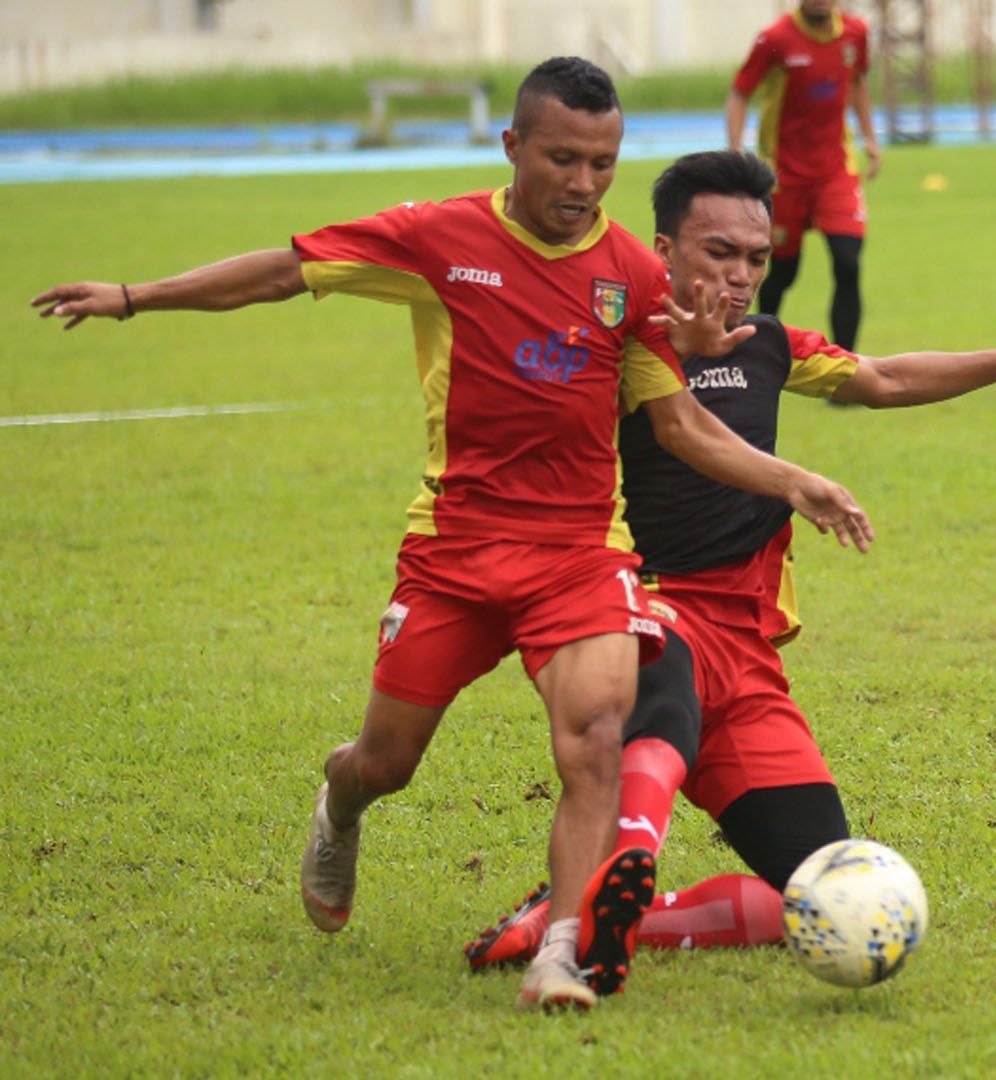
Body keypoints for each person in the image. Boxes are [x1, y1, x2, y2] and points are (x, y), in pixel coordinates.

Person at [30, 58, 873, 1013]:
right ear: (513, 146)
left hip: (578, 555)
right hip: (455, 552)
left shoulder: (633, 275)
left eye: (603, 164)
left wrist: (795, 476)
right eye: (563, 160)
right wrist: (137, 295)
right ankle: (339, 805)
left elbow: (676, 424)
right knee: (384, 762)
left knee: (596, 735)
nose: (584, 184)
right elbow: (281, 272)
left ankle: (564, 949)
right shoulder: (440, 238)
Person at [461, 150, 996, 968]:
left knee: (821, 894)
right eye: (719, 253)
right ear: (663, 251)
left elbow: (881, 376)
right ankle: (618, 861)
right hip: (641, 606)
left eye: (755, 258)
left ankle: (587, 912)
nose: (741, 275)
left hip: (747, 653)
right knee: (659, 677)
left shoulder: (769, 344)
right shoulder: (612, 345)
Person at [725, 0, 878, 352]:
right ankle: (758, 353)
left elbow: (858, 82)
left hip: (836, 172)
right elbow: (739, 94)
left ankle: (845, 372)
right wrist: (735, 154)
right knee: (780, 274)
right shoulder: (774, 40)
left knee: (847, 262)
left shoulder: (856, 34)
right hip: (784, 177)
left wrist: (869, 137)